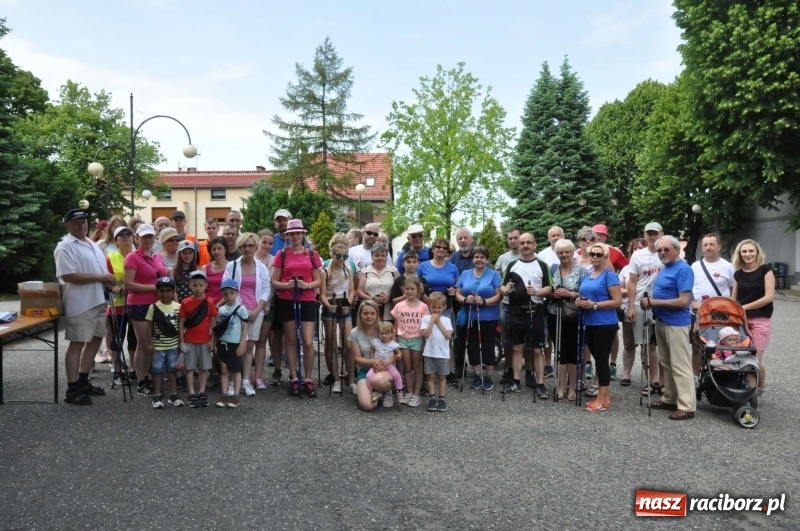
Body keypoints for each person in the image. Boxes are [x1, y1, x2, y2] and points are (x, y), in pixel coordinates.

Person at [54, 208, 117, 405]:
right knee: (77, 343)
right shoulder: (65, 246)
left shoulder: (90, 243)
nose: (81, 225)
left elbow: (98, 271)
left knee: (96, 340)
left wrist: (106, 280)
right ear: (67, 225)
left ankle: (83, 381)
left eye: (83, 221)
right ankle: (72, 389)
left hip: (98, 300)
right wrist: (101, 277)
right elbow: (68, 275)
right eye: (76, 222)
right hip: (80, 303)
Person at [640, 235, 696, 420]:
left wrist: (653, 302)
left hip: (676, 323)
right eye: (659, 250)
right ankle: (670, 398)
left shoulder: (683, 269)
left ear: (677, 250)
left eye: (666, 249)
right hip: (662, 320)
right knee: (667, 363)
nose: (662, 253)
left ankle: (687, 406)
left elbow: (683, 301)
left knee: (680, 365)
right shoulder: (666, 267)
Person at [271, 219, 323, 397]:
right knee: (291, 340)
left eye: (298, 233)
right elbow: (274, 281)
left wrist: (306, 285)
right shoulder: (281, 254)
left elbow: (318, 280)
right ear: (287, 235)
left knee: (308, 341)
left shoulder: (312, 254)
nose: (295, 236)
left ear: (303, 234)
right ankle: (294, 378)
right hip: (287, 299)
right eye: (292, 233)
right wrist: (287, 285)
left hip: (307, 299)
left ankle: (308, 379)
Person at [500, 233, 552, 398]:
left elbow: (549, 288)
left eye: (529, 242)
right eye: (522, 243)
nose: (525, 245)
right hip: (516, 311)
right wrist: (506, 289)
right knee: (516, 347)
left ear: (535, 245)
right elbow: (502, 287)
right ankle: (516, 381)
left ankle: (541, 384)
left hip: (535, 310)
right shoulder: (512, 265)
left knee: (536, 349)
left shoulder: (542, 265)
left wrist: (536, 292)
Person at [575, 243, 622, 412]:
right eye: (592, 254)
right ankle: (605, 396)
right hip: (590, 322)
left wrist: (594, 305)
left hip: (605, 323)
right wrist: (579, 301)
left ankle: (601, 399)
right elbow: (584, 295)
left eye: (599, 254)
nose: (595, 257)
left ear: (605, 257)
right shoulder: (588, 275)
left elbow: (617, 301)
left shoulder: (610, 276)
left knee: (602, 360)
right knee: (598, 358)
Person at [223, 232, 271, 395]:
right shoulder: (232, 266)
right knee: (234, 347)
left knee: (249, 347)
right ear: (239, 247)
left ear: (256, 247)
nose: (247, 249)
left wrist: (257, 310)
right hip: (236, 311)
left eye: (251, 245)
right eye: (244, 246)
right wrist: (239, 310)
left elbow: (266, 290)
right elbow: (226, 286)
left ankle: (245, 381)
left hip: (256, 312)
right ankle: (231, 382)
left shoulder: (261, 267)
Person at [124, 223, 168, 396]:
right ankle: (141, 380)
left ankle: (149, 377)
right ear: (137, 238)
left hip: (158, 305)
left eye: (150, 236)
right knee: (143, 344)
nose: (148, 239)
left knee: (153, 343)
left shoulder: (157, 256)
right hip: (139, 304)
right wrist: (154, 288)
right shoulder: (132, 257)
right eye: (144, 237)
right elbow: (128, 285)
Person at [454, 246, 501, 392]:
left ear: (487, 259)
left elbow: (499, 296)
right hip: (470, 315)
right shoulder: (465, 273)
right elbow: (457, 293)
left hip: (489, 316)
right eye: (476, 257)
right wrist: (465, 299)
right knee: (472, 345)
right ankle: (478, 375)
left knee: (488, 345)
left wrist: (484, 302)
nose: (479, 260)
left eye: (482, 257)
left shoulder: (494, 275)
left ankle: (488, 376)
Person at [731, 239, 774, 397]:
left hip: (760, 320)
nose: (748, 254)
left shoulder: (766, 270)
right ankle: (755, 387)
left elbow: (769, 297)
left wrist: (744, 307)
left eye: (751, 251)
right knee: (741, 356)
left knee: (753, 359)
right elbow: (733, 299)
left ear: (757, 253)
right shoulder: (738, 274)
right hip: (741, 321)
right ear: (740, 254)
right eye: (744, 251)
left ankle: (750, 394)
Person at [690, 233, 736, 377]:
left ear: (719, 247)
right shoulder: (695, 266)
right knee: (696, 347)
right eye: (705, 245)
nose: (708, 247)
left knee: (718, 346)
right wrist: (692, 302)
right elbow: (688, 287)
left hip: (720, 315)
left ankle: (718, 373)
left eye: (712, 244)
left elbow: (733, 288)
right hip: (698, 313)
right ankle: (696, 376)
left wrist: (731, 306)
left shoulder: (728, 267)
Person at [627, 222, 663, 397]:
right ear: (645, 235)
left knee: (662, 344)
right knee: (646, 345)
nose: (652, 237)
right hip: (641, 302)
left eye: (655, 233)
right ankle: (651, 380)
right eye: (649, 234)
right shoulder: (637, 255)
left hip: (662, 302)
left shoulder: (666, 252)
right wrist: (630, 306)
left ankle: (662, 381)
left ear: (661, 234)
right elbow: (632, 281)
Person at [548, 239, 583, 401]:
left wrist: (570, 294)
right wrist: (552, 294)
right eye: (560, 252)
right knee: (560, 350)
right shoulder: (552, 269)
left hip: (573, 315)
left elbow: (587, 291)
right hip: (555, 314)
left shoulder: (581, 270)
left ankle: (572, 387)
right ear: (556, 254)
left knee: (573, 351)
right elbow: (547, 289)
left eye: (567, 251)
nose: (564, 255)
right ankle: (560, 386)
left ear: (573, 252)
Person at [178, 270, 218, 408]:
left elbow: (213, 323)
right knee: (189, 368)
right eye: (194, 285)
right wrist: (182, 341)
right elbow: (181, 322)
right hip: (189, 340)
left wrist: (212, 340)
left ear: (206, 285)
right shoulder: (185, 302)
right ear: (189, 285)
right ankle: (191, 393)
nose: (197, 288)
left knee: (204, 368)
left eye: (201, 285)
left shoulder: (210, 302)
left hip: (205, 340)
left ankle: (202, 392)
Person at [320, 242, 355, 394]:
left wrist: (349, 303)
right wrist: (328, 305)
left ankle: (351, 380)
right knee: (332, 343)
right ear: (332, 255)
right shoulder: (325, 272)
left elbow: (352, 290)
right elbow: (322, 294)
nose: (341, 259)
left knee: (349, 344)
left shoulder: (348, 270)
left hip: (344, 306)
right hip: (331, 305)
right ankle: (336, 378)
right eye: (338, 256)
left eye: (345, 256)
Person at [391, 276, 430, 407]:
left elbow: (426, 326)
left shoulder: (423, 307)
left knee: (417, 367)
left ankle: (416, 394)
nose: (409, 291)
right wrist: (394, 339)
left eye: (412, 289)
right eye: (407, 289)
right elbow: (396, 325)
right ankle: (409, 391)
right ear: (403, 290)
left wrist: (424, 341)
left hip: (417, 339)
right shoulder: (399, 306)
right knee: (407, 367)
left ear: (418, 290)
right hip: (403, 339)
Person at [105, 225, 137, 386]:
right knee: (117, 338)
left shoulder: (138, 255)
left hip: (135, 302)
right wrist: (116, 289)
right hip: (117, 303)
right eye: (121, 235)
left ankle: (134, 368)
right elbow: (106, 282)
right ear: (116, 240)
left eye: (128, 234)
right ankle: (117, 370)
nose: (126, 237)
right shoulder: (111, 258)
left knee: (134, 338)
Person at [145, 277, 183, 409]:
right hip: (158, 347)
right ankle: (157, 395)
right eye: (161, 291)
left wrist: (181, 342)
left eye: (168, 290)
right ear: (157, 292)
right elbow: (149, 326)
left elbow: (180, 326)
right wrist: (149, 343)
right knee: (157, 371)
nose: (165, 294)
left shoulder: (178, 307)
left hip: (173, 346)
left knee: (172, 370)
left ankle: (173, 394)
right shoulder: (153, 307)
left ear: (173, 292)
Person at [213, 278, 249, 409]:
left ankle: (236, 395)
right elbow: (217, 328)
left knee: (236, 370)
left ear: (237, 293)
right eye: (225, 294)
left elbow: (245, 327)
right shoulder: (221, 310)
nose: (229, 296)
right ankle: (224, 394)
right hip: (223, 343)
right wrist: (215, 343)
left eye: (232, 293)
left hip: (235, 344)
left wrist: (242, 344)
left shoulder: (241, 309)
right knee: (224, 369)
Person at [350, 300, 393, 410]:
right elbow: (357, 358)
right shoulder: (354, 332)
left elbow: (395, 352)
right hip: (365, 370)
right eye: (365, 313)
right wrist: (373, 362)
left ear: (377, 314)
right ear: (360, 314)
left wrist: (385, 363)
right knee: (367, 405)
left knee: (378, 381)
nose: (369, 316)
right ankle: (375, 392)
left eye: (372, 313)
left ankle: (384, 390)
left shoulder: (384, 328)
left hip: (385, 369)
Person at [618, 238, 646, 386]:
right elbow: (618, 289)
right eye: (635, 248)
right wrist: (631, 290)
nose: (637, 251)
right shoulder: (626, 269)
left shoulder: (651, 267)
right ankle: (626, 375)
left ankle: (650, 379)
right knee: (629, 345)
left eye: (640, 248)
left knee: (647, 346)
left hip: (646, 308)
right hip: (629, 308)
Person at [495, 228, 521, 380]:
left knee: (526, 342)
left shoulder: (534, 257)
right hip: (506, 304)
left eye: (515, 238)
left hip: (526, 305)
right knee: (507, 339)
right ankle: (509, 369)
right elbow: (498, 282)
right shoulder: (502, 258)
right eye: (510, 238)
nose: (513, 241)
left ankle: (528, 372)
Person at [252, 229, 276, 389]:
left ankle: (258, 376)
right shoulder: (250, 258)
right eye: (264, 242)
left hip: (268, 306)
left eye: (270, 243)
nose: (267, 246)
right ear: (258, 242)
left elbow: (273, 286)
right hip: (250, 304)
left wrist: (266, 303)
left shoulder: (274, 261)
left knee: (261, 342)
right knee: (248, 342)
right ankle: (245, 375)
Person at [421, 292, 453, 411]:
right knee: (430, 376)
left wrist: (438, 322)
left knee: (442, 377)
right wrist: (431, 321)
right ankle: (432, 398)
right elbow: (426, 334)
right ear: (429, 306)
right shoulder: (426, 319)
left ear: (444, 307)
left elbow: (448, 335)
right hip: (429, 353)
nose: (436, 310)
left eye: (439, 307)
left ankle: (442, 398)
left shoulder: (446, 320)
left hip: (442, 354)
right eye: (433, 307)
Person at [417, 237, 460, 319]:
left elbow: (458, 286)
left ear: (447, 252)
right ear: (433, 249)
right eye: (438, 247)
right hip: (427, 304)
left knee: (445, 327)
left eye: (444, 248)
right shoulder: (422, 266)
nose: (441, 249)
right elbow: (416, 284)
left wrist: (454, 290)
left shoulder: (453, 267)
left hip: (445, 306)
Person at [357, 243, 398, 322]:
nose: (380, 258)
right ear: (372, 257)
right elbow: (359, 291)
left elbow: (398, 291)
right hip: (369, 312)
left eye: (383, 255)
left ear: (387, 257)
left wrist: (389, 296)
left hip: (389, 312)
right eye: (377, 255)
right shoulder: (365, 271)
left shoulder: (394, 271)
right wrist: (372, 299)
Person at [366, 322, 404, 402]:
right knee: (368, 376)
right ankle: (373, 391)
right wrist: (372, 361)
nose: (383, 335)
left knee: (397, 375)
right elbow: (372, 351)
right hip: (376, 365)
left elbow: (399, 352)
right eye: (381, 333)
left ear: (391, 334)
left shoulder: (393, 344)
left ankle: (399, 391)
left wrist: (399, 355)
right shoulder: (376, 342)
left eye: (386, 333)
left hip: (389, 366)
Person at [201, 236, 229, 304]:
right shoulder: (205, 268)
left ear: (225, 249)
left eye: (219, 248)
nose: (216, 251)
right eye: (213, 249)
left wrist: (218, 304)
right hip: (206, 304)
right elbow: (201, 289)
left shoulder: (231, 267)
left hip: (226, 304)